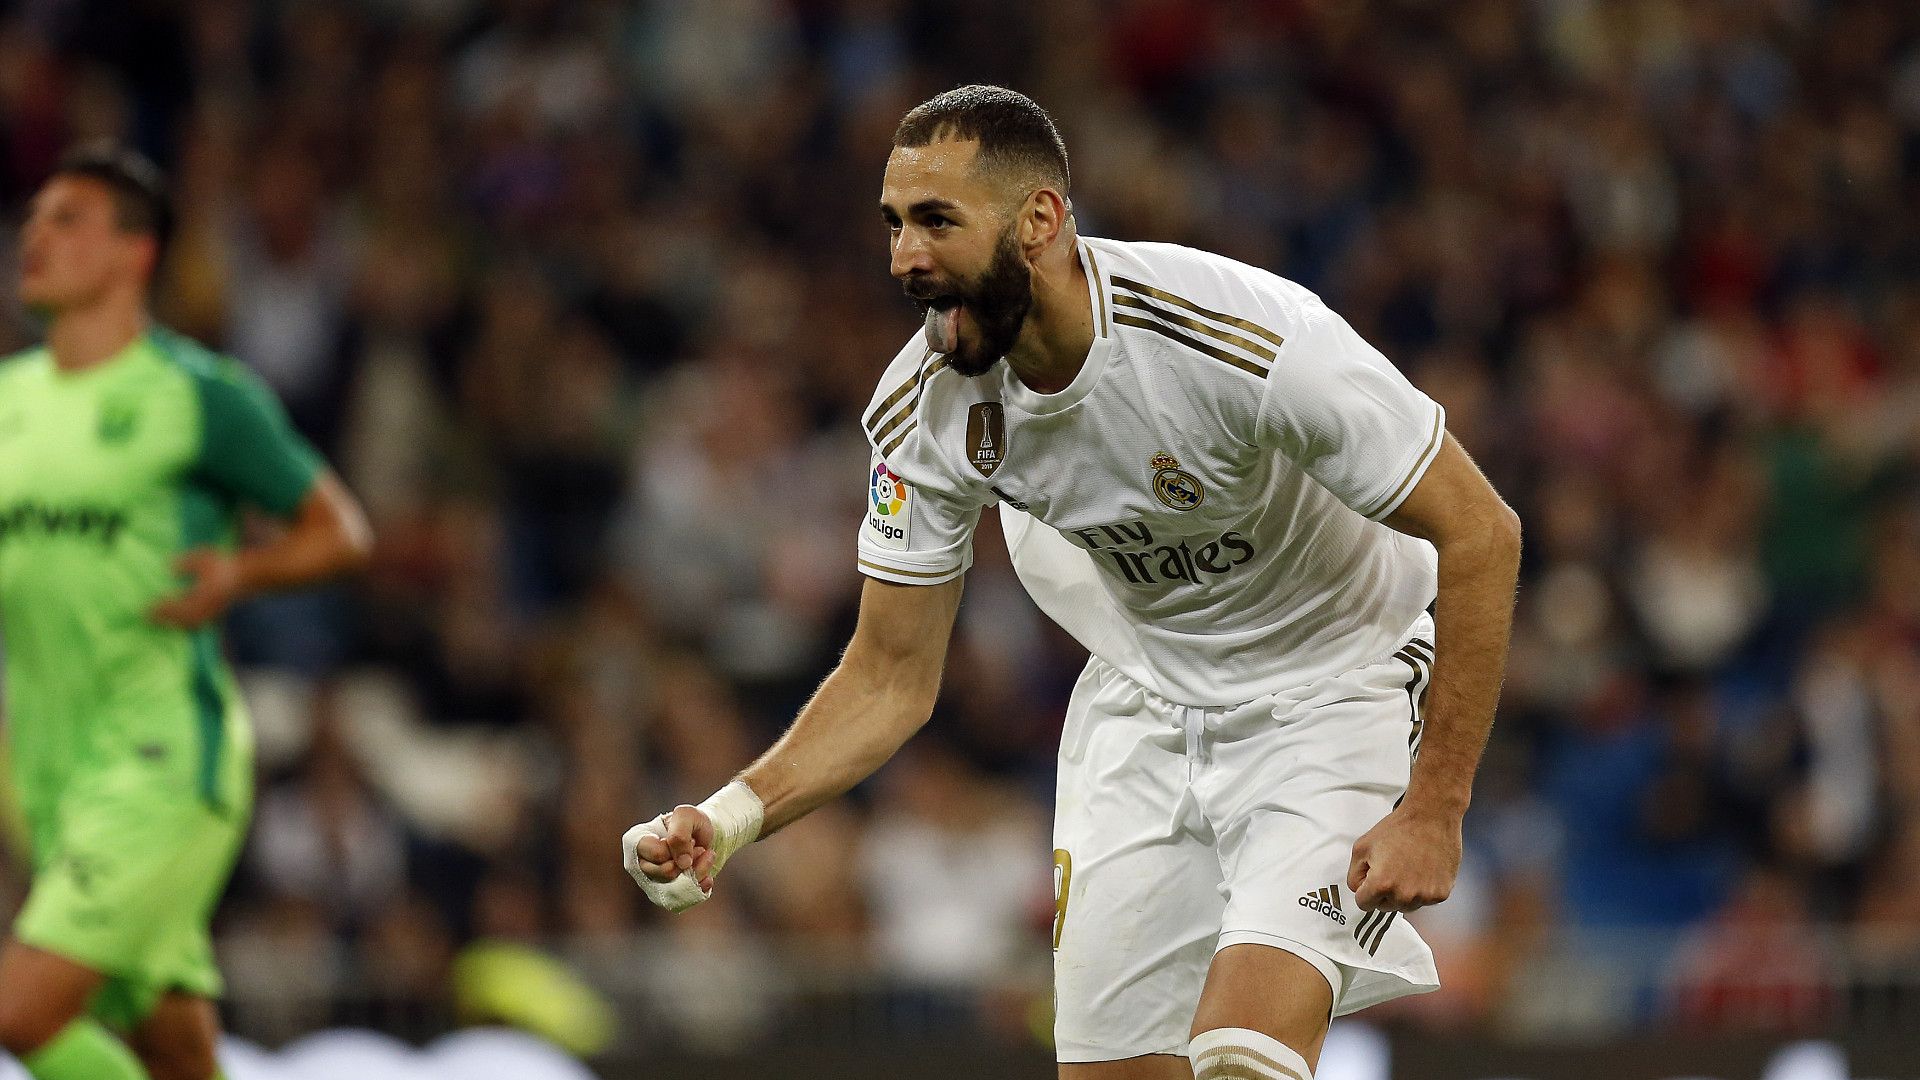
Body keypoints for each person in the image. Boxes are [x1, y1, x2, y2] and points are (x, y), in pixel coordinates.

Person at [625, 85, 1522, 1080]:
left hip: (1332, 687)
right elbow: (887, 678)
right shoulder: (921, 413)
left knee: (1241, 1058)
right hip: (1139, 705)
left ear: (1041, 220)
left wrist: (1436, 808)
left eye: (936, 222)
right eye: (892, 225)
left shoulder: (1242, 341)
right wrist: (729, 816)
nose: (904, 260)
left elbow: (1482, 533)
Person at [0, 145, 373, 1080]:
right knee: (173, 1049)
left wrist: (239, 576)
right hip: (49, 766)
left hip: (160, 756)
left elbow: (340, 532)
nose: (35, 235)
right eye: (34, 217)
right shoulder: (10, 402)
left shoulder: (197, 396)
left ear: (136, 254)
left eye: (69, 219)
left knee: (22, 1013)